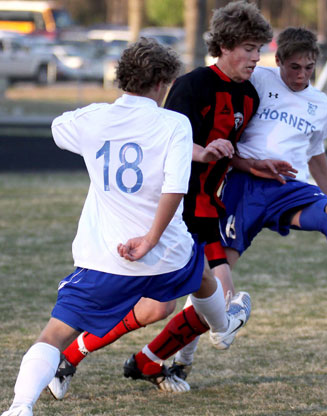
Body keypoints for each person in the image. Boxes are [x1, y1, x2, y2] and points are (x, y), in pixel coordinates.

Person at [46, 0, 292, 398]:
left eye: (258, 48)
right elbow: (166, 144)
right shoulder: (192, 86)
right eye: (248, 47)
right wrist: (202, 151)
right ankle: (143, 360)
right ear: (225, 45)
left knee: (167, 307)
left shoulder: (250, 96)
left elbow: (226, 151)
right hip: (175, 209)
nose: (255, 56)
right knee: (209, 304)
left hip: (208, 208)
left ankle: (147, 362)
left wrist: (254, 164)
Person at [1, 38, 249, 416]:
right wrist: (150, 239)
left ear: (122, 77)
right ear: (163, 82)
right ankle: (222, 324)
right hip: (165, 252)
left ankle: (21, 406)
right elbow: (174, 188)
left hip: (107, 258)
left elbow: (58, 128)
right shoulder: (174, 123)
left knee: (53, 334)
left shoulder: (93, 118)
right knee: (200, 275)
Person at [217, 26, 327, 324]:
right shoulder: (257, 79)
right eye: (294, 67)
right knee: (219, 267)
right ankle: (181, 355)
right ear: (279, 60)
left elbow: (315, 155)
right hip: (246, 185)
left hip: (289, 187)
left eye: (309, 68)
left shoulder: (321, 104)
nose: (301, 75)